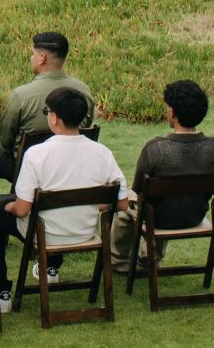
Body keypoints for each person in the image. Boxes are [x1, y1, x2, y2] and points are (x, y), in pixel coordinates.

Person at [8, 86, 127, 289]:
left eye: (46, 112)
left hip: (46, 235)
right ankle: (50, 268)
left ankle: (1, 290)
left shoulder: (36, 154)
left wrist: (8, 206)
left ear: (54, 117)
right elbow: (122, 203)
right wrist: (93, 205)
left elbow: (22, 210)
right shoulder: (102, 153)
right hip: (85, 232)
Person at [109, 79, 214, 274]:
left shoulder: (155, 149)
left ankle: (119, 261)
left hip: (160, 219)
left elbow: (139, 191)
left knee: (126, 203)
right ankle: (149, 257)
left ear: (172, 112)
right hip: (195, 215)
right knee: (159, 201)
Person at [0, 31, 92, 187]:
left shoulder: (22, 95)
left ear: (41, 58)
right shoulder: (84, 90)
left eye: (32, 54)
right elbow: (83, 129)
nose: (31, 58)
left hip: (26, 167)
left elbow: (6, 141)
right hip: (71, 163)